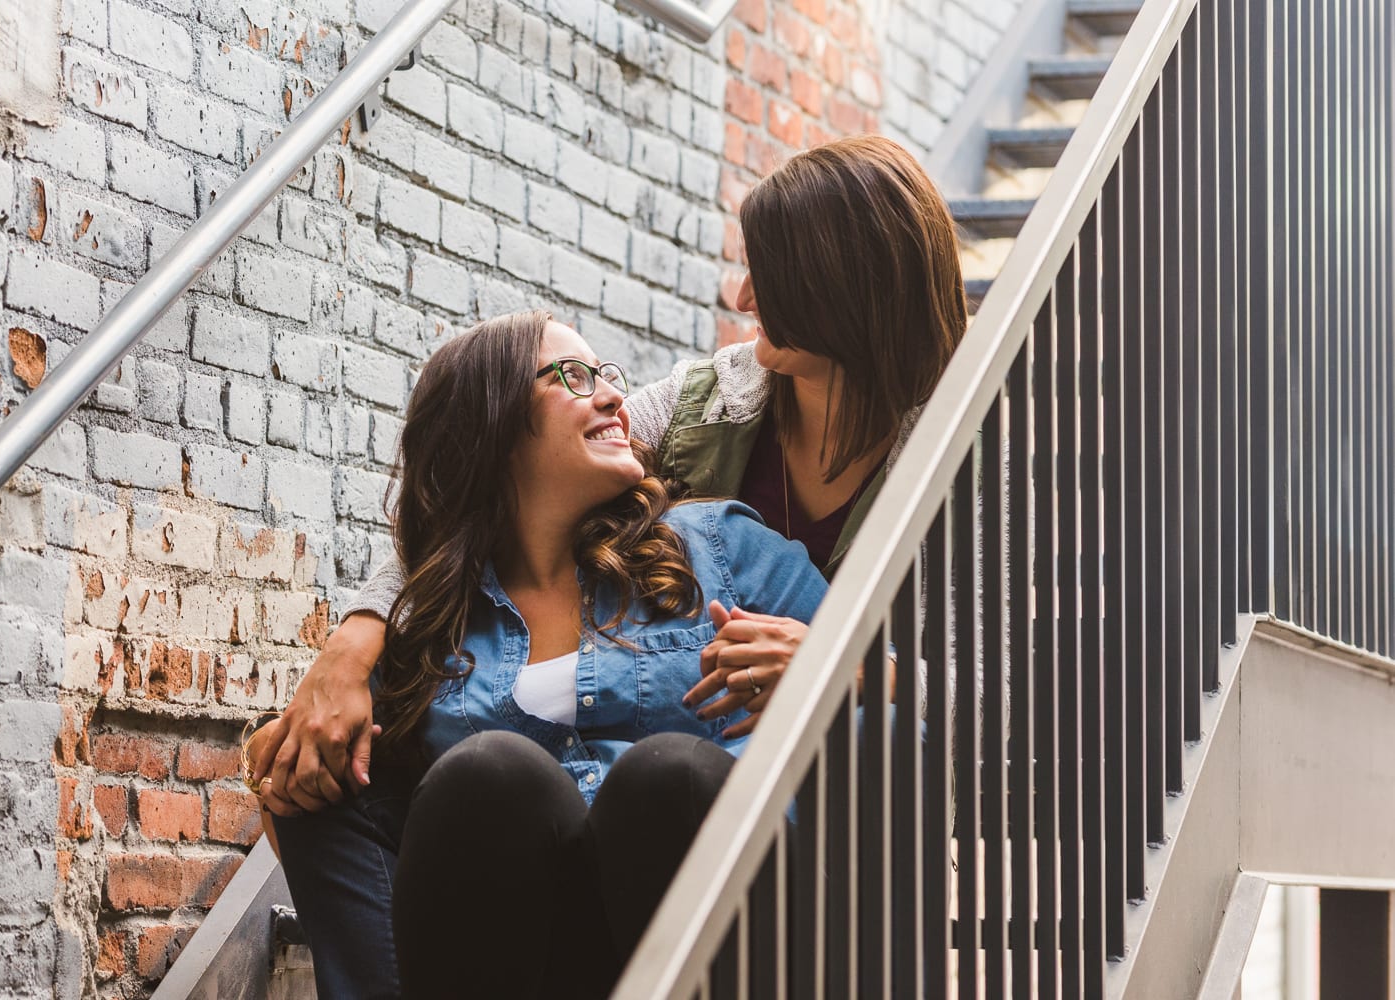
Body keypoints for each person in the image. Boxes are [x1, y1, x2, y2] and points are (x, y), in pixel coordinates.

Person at [254, 134, 967, 816]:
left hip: (823, 767)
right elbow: (479, 501)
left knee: (678, 775)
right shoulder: (707, 403)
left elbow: (1000, 699)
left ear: (840, 290)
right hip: (640, 777)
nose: (744, 298)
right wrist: (350, 647)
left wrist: (849, 666)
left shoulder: (966, 460)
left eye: (770, 277)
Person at [272, 312, 829, 998]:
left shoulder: (718, 547)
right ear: (493, 424)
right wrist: (287, 753)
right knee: (488, 774)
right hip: (541, 958)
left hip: (729, 927)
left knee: (664, 777)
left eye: (607, 375)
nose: (614, 396)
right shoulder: (434, 631)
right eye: (573, 376)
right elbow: (330, 792)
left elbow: (890, 715)